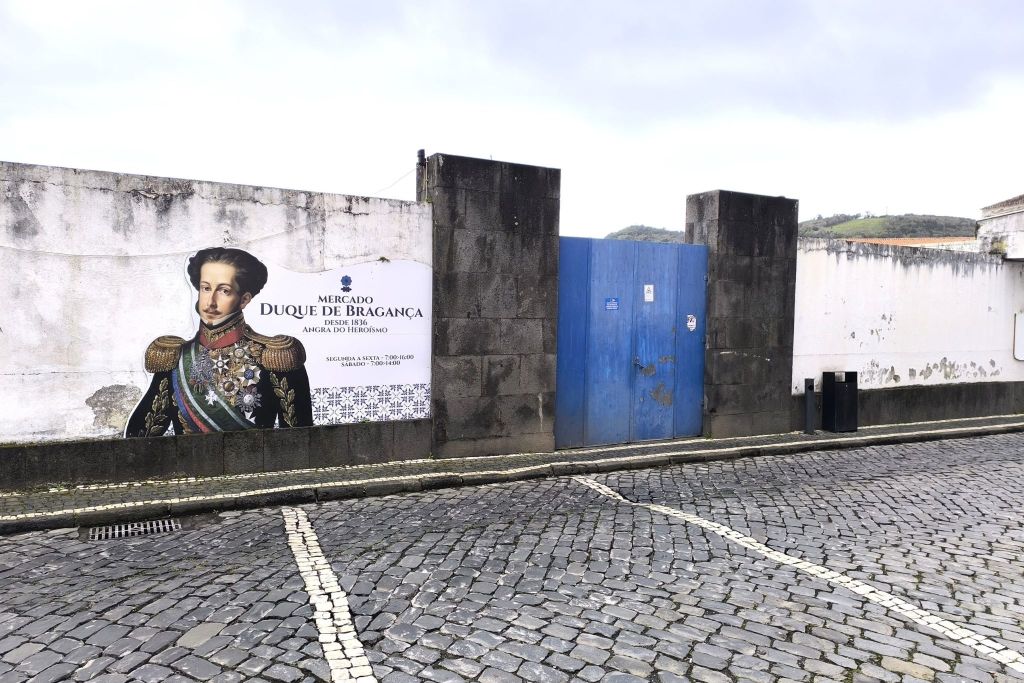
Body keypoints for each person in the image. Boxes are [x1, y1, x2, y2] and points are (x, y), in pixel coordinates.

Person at [125, 247, 313, 437]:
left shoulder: (274, 357)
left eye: (224, 291)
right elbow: (139, 437)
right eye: (206, 288)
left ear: (244, 300)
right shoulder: (177, 358)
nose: (210, 302)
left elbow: (299, 440)